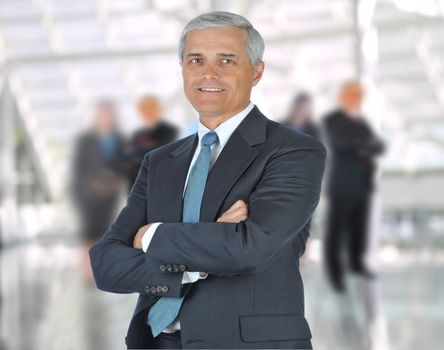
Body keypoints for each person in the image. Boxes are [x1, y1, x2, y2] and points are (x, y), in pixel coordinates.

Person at [89, 12, 326, 349]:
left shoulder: (294, 151)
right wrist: (201, 255)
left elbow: (249, 248)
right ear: (183, 69)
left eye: (226, 60)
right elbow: (106, 264)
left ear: (256, 71)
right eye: (195, 60)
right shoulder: (159, 162)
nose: (208, 73)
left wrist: (153, 235)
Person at [323, 81, 385, 292]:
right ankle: (335, 274)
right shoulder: (332, 120)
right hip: (342, 184)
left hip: (362, 184)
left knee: (360, 229)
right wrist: (364, 145)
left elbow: (380, 145)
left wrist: (361, 145)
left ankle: (357, 265)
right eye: (352, 95)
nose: (356, 100)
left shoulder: (362, 121)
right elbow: (340, 144)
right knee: (337, 232)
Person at [71, 100, 126, 282]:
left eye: (109, 114)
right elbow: (79, 168)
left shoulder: (119, 140)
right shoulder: (86, 140)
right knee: (88, 234)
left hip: (110, 196)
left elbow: (124, 164)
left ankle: (101, 270)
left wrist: (114, 181)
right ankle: (88, 274)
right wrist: (93, 183)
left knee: (106, 233)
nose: (106, 118)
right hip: (89, 195)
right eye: (103, 114)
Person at [127, 96, 178, 187]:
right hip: (136, 184)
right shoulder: (138, 134)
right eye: (144, 109)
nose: (147, 112)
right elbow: (130, 156)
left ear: (158, 110)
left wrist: (138, 152)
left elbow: (158, 153)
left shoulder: (169, 131)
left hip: (158, 182)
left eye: (151, 108)